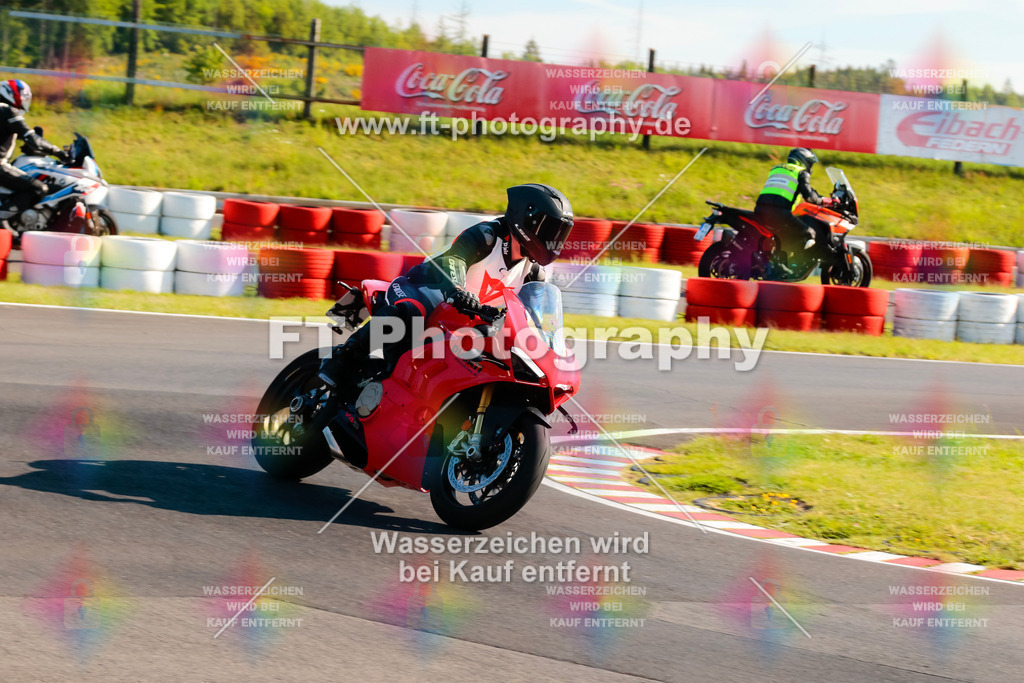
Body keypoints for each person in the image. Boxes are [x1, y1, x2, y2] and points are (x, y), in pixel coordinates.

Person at [319, 183, 574, 390]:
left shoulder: (534, 272)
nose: (554, 240)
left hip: (466, 318)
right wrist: (458, 290)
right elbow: (456, 258)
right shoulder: (488, 235)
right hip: (425, 290)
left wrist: (547, 342)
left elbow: (538, 316)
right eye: (550, 230)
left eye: (559, 234)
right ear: (527, 220)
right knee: (409, 314)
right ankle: (343, 358)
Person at [753, 147, 837, 274]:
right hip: (779, 212)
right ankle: (783, 265)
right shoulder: (801, 172)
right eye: (810, 163)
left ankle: (775, 260)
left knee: (785, 232)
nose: (811, 167)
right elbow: (809, 197)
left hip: (760, 209)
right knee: (808, 233)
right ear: (804, 161)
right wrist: (826, 201)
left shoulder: (777, 169)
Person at [0, 80, 66, 209]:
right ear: (10, 93)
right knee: (38, 188)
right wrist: (57, 151)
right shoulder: (7, 111)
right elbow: (31, 137)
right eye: (23, 97)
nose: (24, 101)